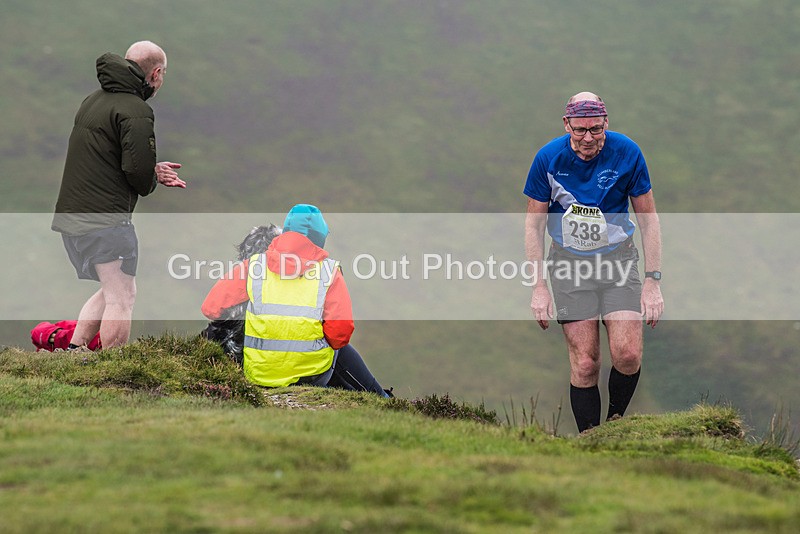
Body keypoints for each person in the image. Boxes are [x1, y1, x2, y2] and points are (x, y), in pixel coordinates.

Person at [524, 91, 664, 433]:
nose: (589, 138)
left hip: (619, 262)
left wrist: (653, 281)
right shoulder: (548, 158)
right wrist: (539, 286)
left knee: (627, 354)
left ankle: (614, 425)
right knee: (586, 363)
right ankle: (591, 439)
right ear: (567, 125)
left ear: (606, 125)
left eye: (596, 130)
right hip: (570, 266)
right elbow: (533, 225)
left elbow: (649, 218)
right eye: (580, 130)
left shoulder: (627, 152)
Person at [51, 41, 186, 349]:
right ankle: (112, 367)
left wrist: (153, 168)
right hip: (105, 220)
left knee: (111, 289)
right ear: (156, 73)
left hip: (74, 216)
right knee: (122, 297)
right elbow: (138, 176)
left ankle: (74, 352)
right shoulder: (136, 110)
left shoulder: (93, 100)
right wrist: (150, 177)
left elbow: (112, 158)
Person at [201, 204, 391, 397]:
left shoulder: (254, 265)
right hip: (311, 376)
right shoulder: (329, 272)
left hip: (259, 374)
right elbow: (340, 335)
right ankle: (378, 397)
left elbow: (210, 309)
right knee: (337, 350)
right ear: (319, 238)